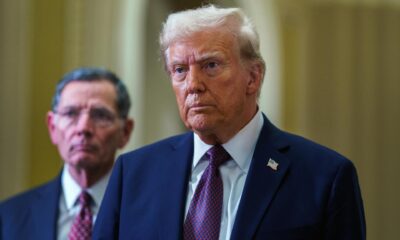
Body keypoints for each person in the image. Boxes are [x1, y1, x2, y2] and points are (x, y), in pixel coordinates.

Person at [93, 5, 365, 240]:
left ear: (253, 77)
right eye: (180, 70)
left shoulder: (324, 177)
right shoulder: (132, 174)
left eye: (211, 65)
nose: (193, 85)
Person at [0, 67, 134, 240]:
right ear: (52, 127)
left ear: (125, 132)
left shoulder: (148, 212)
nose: (83, 128)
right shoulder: (9, 218)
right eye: (71, 113)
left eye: (100, 115)